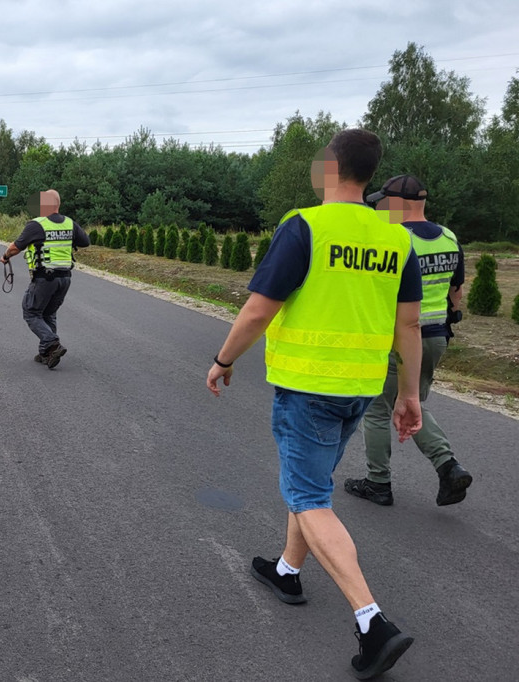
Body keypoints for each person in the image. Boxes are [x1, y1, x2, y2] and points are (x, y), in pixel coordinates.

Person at [205, 129, 424, 679]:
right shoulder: (397, 239)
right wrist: (408, 395)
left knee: (307, 495)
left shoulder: (304, 226)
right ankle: (287, 570)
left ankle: (373, 623)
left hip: (308, 388)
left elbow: (259, 309)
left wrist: (224, 360)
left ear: (330, 167)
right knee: (312, 485)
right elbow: (410, 325)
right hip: (360, 388)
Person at [345, 175, 473, 507]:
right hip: (435, 338)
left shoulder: (394, 238)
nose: (380, 207)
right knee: (413, 402)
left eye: (384, 202)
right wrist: (450, 317)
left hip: (398, 337)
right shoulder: (448, 237)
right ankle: (448, 467)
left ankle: (379, 481)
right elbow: (456, 291)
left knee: (376, 408)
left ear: (398, 204)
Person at [1, 189, 89, 369]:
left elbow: (16, 247)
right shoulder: (70, 223)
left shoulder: (36, 224)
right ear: (58, 205)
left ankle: (52, 342)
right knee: (48, 313)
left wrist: (5, 256)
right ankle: (46, 353)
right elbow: (85, 241)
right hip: (65, 279)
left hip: (45, 278)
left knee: (31, 312)